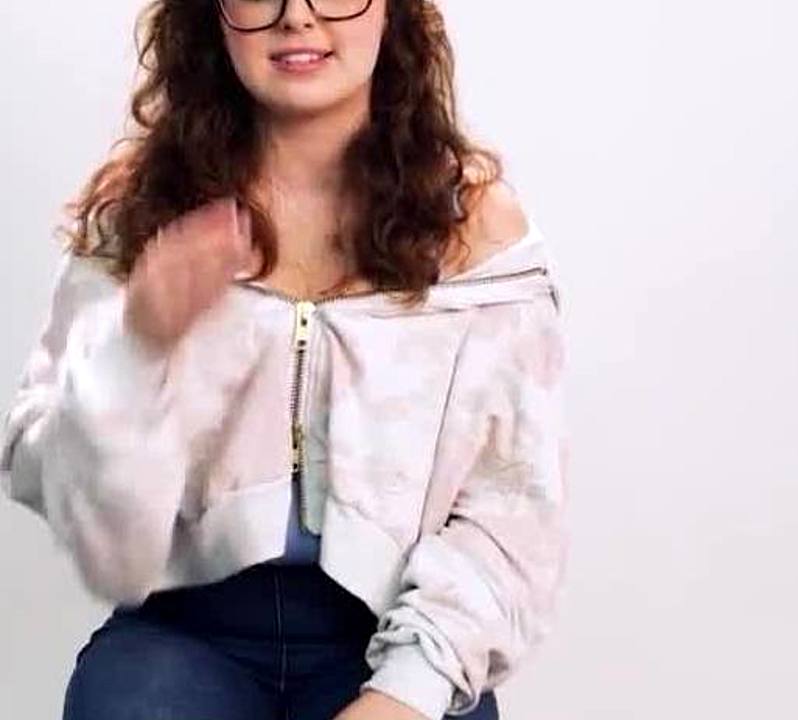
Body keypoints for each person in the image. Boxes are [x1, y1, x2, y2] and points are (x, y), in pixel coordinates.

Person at [0, 1, 570, 719]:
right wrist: (133, 351)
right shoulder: (143, 215)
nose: (296, 16)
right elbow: (89, 525)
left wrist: (406, 692)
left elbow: (512, 510)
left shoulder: (474, 229)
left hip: (403, 641)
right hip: (182, 636)